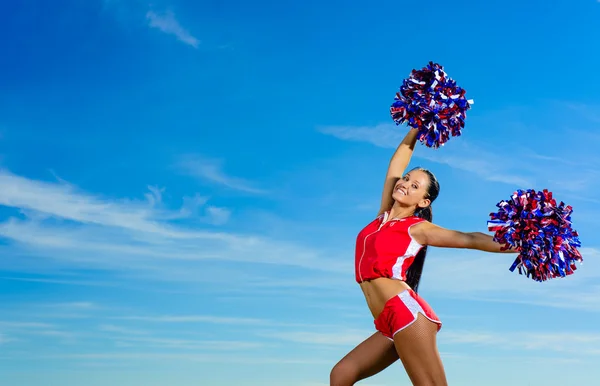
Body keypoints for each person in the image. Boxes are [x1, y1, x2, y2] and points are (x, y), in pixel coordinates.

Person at [330, 129, 517, 386]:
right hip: (386, 321)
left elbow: (470, 239)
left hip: (405, 313)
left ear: (424, 202)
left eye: (414, 186)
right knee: (342, 374)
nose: (405, 184)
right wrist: (417, 126)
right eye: (406, 179)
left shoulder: (417, 228)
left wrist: (523, 245)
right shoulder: (381, 218)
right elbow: (397, 162)